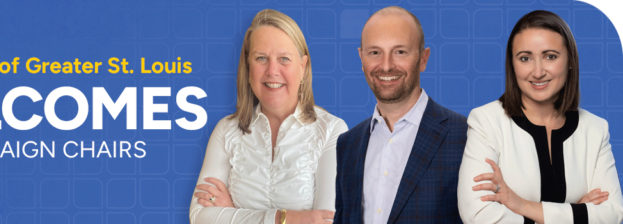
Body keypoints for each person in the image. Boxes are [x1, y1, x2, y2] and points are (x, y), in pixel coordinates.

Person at [457, 10, 623, 223]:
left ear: (570, 60)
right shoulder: (486, 121)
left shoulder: (595, 129)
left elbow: (613, 214)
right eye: (525, 58)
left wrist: (522, 206)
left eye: (550, 56)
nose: (537, 72)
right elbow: (478, 215)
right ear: (512, 65)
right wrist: (576, 212)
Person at [188, 9, 348, 224]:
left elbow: (328, 221)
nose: (272, 71)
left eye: (284, 59)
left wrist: (233, 212)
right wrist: (284, 218)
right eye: (261, 58)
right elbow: (200, 217)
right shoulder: (226, 131)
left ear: (302, 68)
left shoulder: (332, 131)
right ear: (248, 67)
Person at [333, 6, 468, 224]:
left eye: (400, 52)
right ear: (361, 58)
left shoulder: (465, 136)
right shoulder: (347, 144)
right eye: (375, 52)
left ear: (423, 59)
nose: (386, 66)